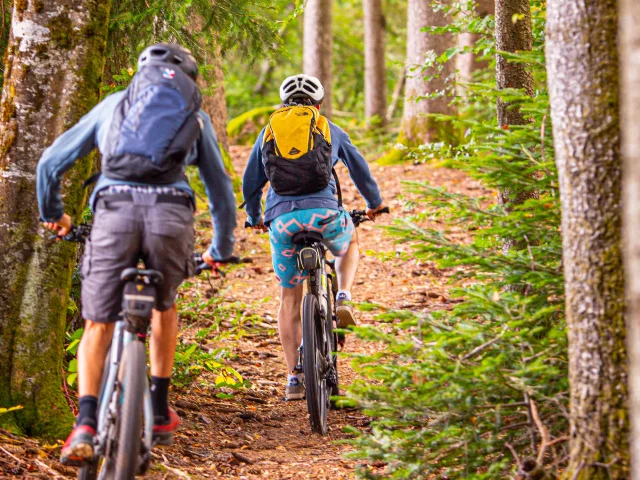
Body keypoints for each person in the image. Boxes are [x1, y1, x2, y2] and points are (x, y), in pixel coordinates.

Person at [36, 44, 236, 465]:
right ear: (187, 81)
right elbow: (219, 189)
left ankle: (86, 423)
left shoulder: (114, 105)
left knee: (98, 322)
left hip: (115, 212)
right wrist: (220, 249)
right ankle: (160, 410)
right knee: (165, 305)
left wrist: (56, 215)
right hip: (171, 216)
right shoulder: (195, 117)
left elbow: (50, 164)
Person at [242, 74, 385, 401]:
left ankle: (293, 378)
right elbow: (359, 168)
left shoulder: (268, 133)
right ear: (318, 104)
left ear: (283, 104)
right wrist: (373, 204)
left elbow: (250, 183)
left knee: (288, 298)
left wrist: (254, 218)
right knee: (350, 242)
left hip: (281, 223)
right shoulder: (328, 128)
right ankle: (344, 296)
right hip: (326, 215)